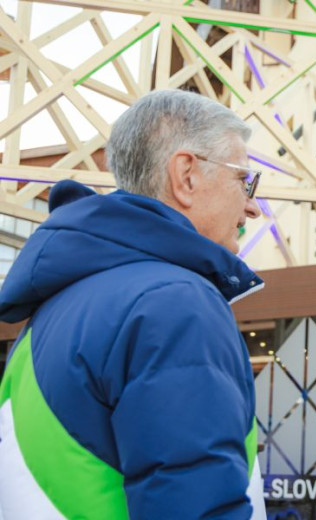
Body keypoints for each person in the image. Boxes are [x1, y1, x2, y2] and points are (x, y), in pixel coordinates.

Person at [0, 89, 268, 519]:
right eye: (245, 180)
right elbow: (196, 506)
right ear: (187, 175)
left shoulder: (56, 306)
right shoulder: (175, 304)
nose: (253, 206)